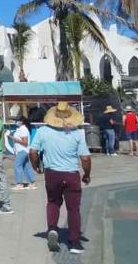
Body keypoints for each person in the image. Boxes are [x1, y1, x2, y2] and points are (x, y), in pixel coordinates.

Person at [29, 102, 91, 254]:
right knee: (73, 209)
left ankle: (52, 228)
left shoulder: (43, 131)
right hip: (71, 174)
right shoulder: (77, 133)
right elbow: (85, 158)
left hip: (52, 173)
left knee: (53, 202)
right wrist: (87, 175)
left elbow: (32, 152)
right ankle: (74, 242)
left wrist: (35, 166)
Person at [11, 115, 37, 190]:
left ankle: (19, 183)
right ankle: (32, 182)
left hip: (22, 150)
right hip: (22, 150)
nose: (15, 122)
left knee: (17, 165)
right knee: (26, 166)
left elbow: (25, 142)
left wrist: (13, 138)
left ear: (21, 121)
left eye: (17, 120)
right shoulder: (20, 128)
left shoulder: (23, 129)